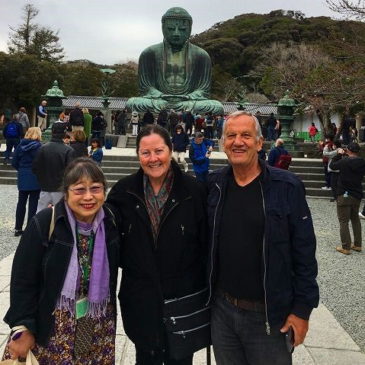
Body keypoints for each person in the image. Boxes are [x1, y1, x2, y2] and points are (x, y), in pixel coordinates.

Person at [206, 111, 319, 365]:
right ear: (223, 143)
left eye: (246, 135)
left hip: (269, 315)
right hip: (223, 311)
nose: (238, 142)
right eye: (231, 136)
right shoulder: (214, 186)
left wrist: (302, 310)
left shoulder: (287, 187)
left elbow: (304, 253)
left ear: (259, 143)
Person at [3, 157, 120, 364]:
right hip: (52, 329)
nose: (88, 197)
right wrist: (22, 327)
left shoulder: (110, 223)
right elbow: (23, 279)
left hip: (97, 327)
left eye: (95, 188)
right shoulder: (46, 222)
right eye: (79, 190)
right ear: (66, 193)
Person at [106, 124, 208, 365]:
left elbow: (205, 246)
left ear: (171, 150)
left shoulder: (194, 191)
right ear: (138, 155)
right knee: (146, 357)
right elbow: (107, 239)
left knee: (181, 360)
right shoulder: (123, 192)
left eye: (159, 151)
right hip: (140, 296)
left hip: (182, 297)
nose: (153, 159)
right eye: (145, 153)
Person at [125, 7, 223, 115]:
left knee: (216, 106)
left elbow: (203, 90)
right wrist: (161, 95)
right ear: (163, 28)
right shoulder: (149, 53)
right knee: (132, 103)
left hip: (188, 101)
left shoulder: (201, 55)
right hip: (160, 100)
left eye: (182, 29)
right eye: (171, 29)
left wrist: (189, 96)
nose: (176, 33)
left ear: (190, 29)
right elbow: (146, 88)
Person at [330, 142, 365, 254]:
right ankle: (358, 244)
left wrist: (338, 154)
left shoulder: (344, 161)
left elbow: (332, 166)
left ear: (348, 151)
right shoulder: (362, 162)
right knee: (355, 219)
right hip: (357, 194)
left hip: (344, 193)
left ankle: (346, 246)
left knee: (343, 221)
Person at [32, 122, 76, 213]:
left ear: (52, 132)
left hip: (44, 186)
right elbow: (71, 172)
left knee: (40, 213)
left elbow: (34, 168)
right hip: (60, 188)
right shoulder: (68, 150)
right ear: (65, 134)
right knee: (61, 214)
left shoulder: (42, 148)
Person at [11, 127, 42, 237]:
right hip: (35, 176)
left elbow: (14, 162)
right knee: (33, 204)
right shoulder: (39, 147)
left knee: (21, 202)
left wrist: (21, 169)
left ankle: (18, 227)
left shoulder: (20, 145)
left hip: (23, 175)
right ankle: (30, 228)